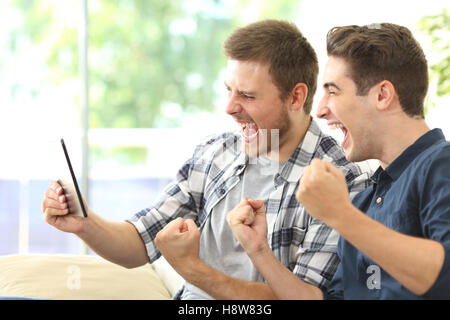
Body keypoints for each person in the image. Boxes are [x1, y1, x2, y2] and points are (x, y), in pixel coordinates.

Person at [41, 20, 371, 300]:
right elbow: (140, 241)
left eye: (247, 95)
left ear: (296, 97)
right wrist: (85, 224)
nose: (229, 107)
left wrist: (192, 269)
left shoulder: (340, 179)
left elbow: (303, 295)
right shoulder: (216, 154)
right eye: (228, 90)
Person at [228, 22, 450, 299]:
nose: (319, 110)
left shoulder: (441, 165)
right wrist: (259, 251)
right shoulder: (364, 200)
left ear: (382, 95)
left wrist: (341, 215)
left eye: (333, 91)